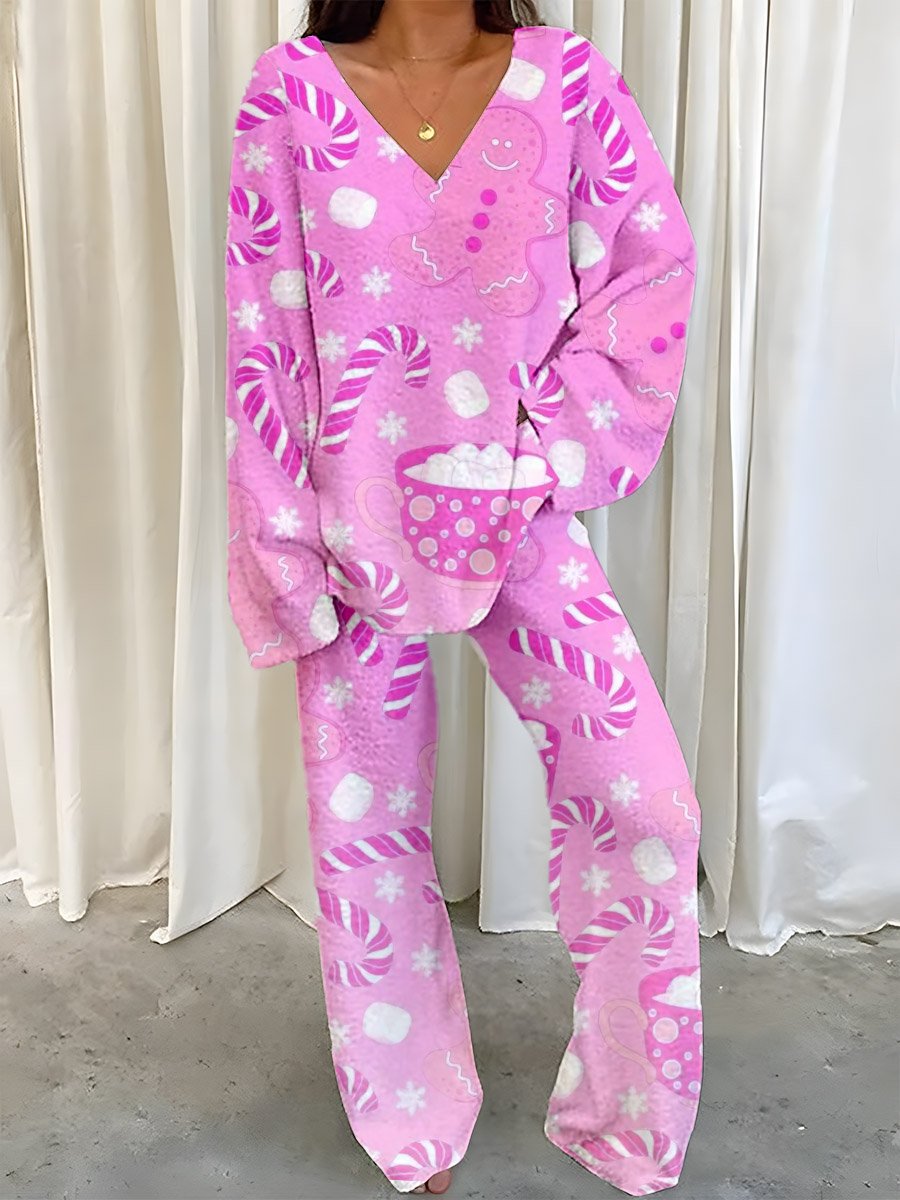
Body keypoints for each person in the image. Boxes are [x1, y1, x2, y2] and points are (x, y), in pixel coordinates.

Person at [224, 0, 702, 1194]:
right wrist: (287, 542)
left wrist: (544, 453)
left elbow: (650, 275)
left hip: (519, 509)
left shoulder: (569, 82)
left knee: (646, 810)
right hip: (353, 523)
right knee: (366, 840)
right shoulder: (291, 95)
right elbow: (264, 333)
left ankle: (625, 1112)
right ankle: (412, 1113)